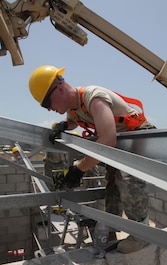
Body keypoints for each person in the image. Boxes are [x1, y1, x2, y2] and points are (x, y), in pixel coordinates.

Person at [28, 65, 156, 253]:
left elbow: (107, 140)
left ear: (60, 88)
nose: (49, 109)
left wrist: (79, 168)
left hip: (137, 135)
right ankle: (111, 226)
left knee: (128, 179)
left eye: (48, 103)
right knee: (112, 183)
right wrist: (63, 125)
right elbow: (74, 119)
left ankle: (141, 233)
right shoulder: (73, 108)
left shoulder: (93, 97)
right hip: (122, 143)